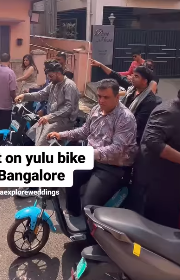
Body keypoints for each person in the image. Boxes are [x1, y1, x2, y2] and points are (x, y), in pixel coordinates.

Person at [48, 79, 137, 218]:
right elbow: (84, 131)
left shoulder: (125, 117)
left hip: (113, 167)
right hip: (92, 158)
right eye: (99, 96)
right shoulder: (96, 109)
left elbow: (117, 148)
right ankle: (73, 213)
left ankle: (92, 236)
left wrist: (90, 153)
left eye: (106, 97)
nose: (101, 101)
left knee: (89, 203)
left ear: (117, 97)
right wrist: (61, 135)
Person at [135, 92, 180, 229]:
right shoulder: (169, 111)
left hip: (171, 181)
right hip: (158, 182)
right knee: (159, 227)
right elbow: (153, 141)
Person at [91, 60, 159, 144]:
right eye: (133, 75)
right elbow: (116, 76)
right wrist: (101, 65)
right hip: (119, 128)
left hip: (131, 138)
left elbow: (136, 124)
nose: (132, 77)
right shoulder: (132, 89)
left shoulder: (149, 101)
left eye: (136, 76)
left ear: (145, 81)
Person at [15, 61, 80, 146]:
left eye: (51, 76)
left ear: (58, 73)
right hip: (51, 119)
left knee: (41, 143)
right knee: (30, 135)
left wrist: (49, 116)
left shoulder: (69, 85)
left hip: (64, 121)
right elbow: (40, 94)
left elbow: (68, 108)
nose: (49, 79)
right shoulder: (53, 84)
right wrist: (24, 96)